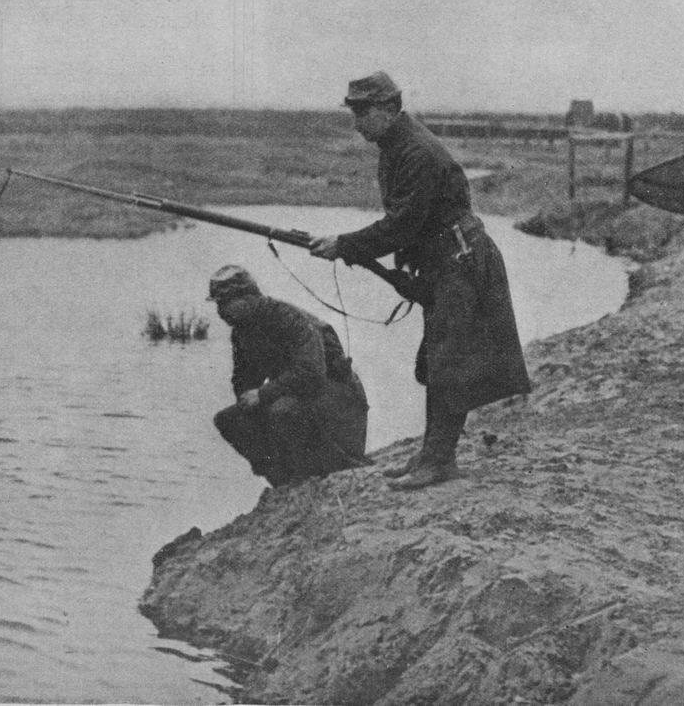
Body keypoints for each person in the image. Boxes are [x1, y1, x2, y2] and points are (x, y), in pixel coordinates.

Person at [310, 71, 531, 490]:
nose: (356, 123)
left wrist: (346, 245)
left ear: (390, 110)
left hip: (461, 260)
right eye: (354, 112)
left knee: (450, 362)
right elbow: (411, 224)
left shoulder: (417, 153)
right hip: (444, 260)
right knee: (437, 359)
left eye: (363, 112)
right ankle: (432, 453)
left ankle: (440, 461)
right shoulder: (394, 147)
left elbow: (403, 225)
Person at [208, 265, 371, 487]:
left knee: (282, 410)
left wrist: (263, 394)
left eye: (225, 303)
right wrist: (247, 399)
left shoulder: (287, 318)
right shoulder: (243, 330)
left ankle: (318, 471)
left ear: (248, 298)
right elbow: (243, 379)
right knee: (229, 419)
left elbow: (312, 372)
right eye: (218, 304)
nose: (221, 311)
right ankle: (282, 480)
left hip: (339, 401)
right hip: (302, 398)